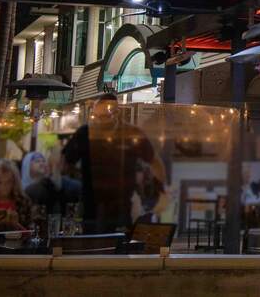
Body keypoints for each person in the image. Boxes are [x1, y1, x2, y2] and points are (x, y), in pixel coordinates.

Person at [62, 94, 166, 232]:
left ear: (117, 113)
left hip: (121, 204)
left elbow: (155, 162)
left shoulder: (131, 133)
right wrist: (73, 179)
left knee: (118, 244)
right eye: (96, 116)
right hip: (90, 202)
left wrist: (161, 191)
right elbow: (64, 162)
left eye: (104, 116)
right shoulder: (85, 133)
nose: (99, 121)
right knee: (90, 243)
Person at [25, 146, 82, 215]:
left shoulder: (75, 187)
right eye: (37, 161)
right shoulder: (32, 190)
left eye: (43, 161)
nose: (42, 163)